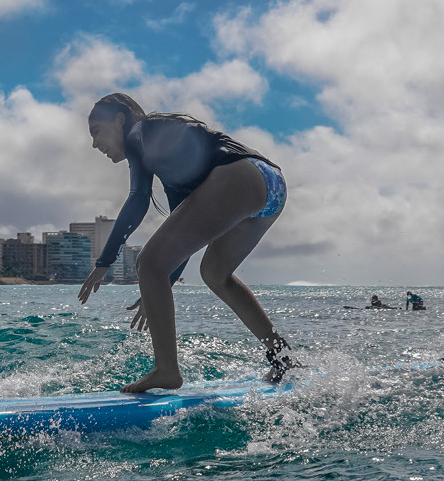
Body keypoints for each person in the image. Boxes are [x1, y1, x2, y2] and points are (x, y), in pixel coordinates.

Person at [76, 93, 293, 392]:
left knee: (149, 262)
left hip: (242, 175)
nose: (94, 144)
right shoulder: (167, 154)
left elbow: (138, 199)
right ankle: (281, 356)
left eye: (96, 131)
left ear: (120, 119)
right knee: (215, 274)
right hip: (272, 185)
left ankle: (166, 370)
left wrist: (105, 261)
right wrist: (159, 285)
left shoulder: (139, 134)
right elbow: (186, 234)